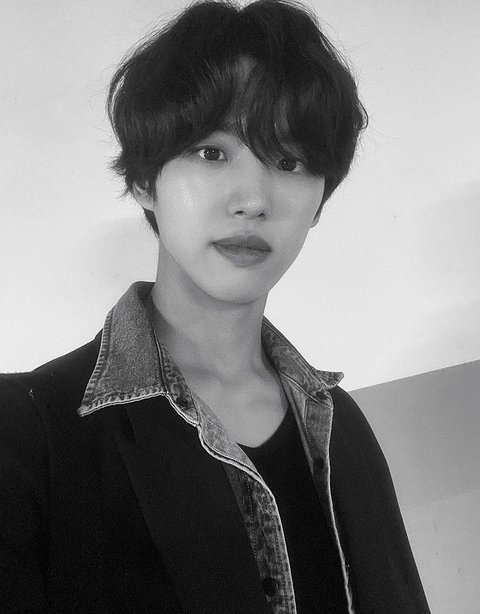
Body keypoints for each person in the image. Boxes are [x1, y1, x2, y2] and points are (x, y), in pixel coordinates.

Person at [0, 1, 430, 612]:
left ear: (319, 201)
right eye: (212, 152)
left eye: (289, 161)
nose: (253, 199)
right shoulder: (28, 433)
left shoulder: (340, 427)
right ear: (145, 180)